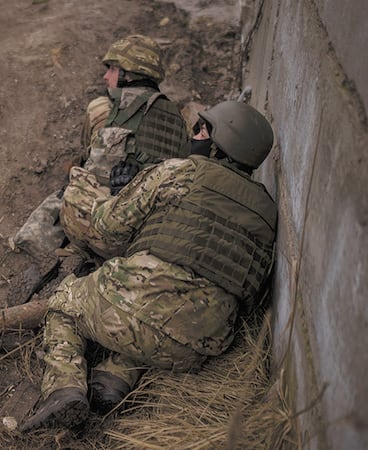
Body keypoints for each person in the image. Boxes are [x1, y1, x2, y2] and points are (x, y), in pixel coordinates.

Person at [19, 100, 278, 432]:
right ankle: (114, 378)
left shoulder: (180, 171)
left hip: (135, 310)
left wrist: (99, 189)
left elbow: (108, 225)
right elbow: (252, 292)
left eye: (203, 130)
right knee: (162, 317)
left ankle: (63, 389)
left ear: (220, 145)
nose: (195, 135)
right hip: (200, 346)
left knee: (64, 303)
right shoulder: (267, 212)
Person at [9, 35, 190, 304]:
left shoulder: (116, 110)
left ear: (129, 73)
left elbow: (94, 173)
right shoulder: (176, 117)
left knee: (75, 185)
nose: (106, 76)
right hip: (156, 237)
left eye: (113, 69)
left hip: (117, 232)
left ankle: (46, 253)